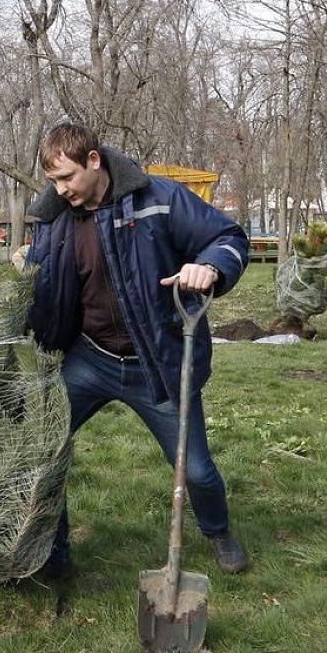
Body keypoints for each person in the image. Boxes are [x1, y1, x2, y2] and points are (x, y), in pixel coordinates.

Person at [24, 122, 250, 578]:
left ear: (93, 160)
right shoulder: (53, 220)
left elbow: (229, 238)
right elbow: (40, 285)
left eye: (67, 177)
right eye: (52, 181)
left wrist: (208, 267)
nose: (60, 189)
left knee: (198, 471)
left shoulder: (158, 198)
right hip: (89, 359)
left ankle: (219, 531)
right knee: (42, 448)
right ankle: (53, 552)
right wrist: (9, 281)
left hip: (156, 361)